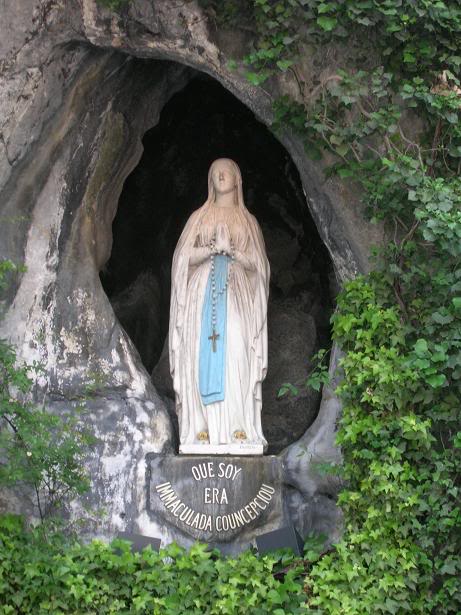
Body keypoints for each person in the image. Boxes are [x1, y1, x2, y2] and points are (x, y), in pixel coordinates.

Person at [169, 158, 269, 453]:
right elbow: (181, 259)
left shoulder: (248, 222)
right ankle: (202, 428)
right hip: (201, 294)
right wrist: (211, 250)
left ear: (238, 179)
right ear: (209, 181)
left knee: (236, 350)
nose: (221, 175)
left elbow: (260, 267)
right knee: (198, 352)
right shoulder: (198, 218)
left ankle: (239, 426)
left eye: (226, 171)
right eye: (215, 172)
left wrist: (233, 252)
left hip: (236, 293)